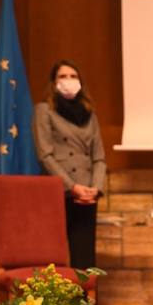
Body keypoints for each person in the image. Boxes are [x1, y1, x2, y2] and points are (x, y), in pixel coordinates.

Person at [32, 60, 106, 269]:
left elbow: (99, 157)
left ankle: (84, 301)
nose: (68, 81)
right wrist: (72, 187)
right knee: (53, 256)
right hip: (60, 190)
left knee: (84, 258)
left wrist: (96, 188)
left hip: (87, 195)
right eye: (62, 77)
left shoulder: (89, 113)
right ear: (54, 83)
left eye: (73, 76)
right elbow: (45, 155)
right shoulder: (44, 110)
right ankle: (58, 301)